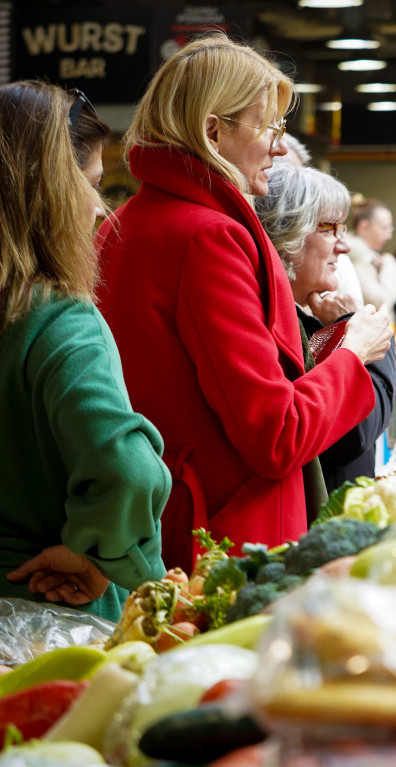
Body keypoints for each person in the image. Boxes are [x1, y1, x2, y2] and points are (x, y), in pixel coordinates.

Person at [96, 34, 392, 570]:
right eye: (270, 127)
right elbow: (275, 434)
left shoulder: (123, 226)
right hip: (222, 548)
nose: (281, 147)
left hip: (160, 529)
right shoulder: (210, 237)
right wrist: (354, 353)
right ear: (215, 132)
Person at [0, 82, 169, 620]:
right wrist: (98, 552)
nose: (100, 208)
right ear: (46, 188)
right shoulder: (60, 319)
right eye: (92, 184)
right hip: (51, 610)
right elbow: (128, 471)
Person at [255, 164, 396, 492]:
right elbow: (356, 432)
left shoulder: (297, 316)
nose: (343, 246)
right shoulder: (272, 323)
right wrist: (355, 327)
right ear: (286, 235)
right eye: (329, 228)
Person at [347, 196, 396, 312]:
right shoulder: (354, 258)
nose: (389, 236)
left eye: (390, 229)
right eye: (384, 228)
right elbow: (381, 303)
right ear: (364, 227)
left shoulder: (370, 257)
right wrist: (389, 265)